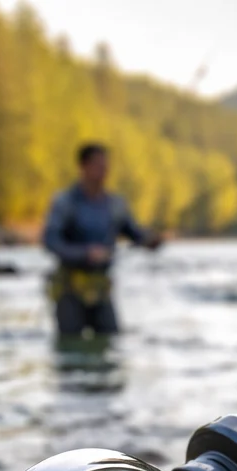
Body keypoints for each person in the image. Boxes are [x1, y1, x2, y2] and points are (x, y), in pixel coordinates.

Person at [41, 143, 161, 335]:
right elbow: (50, 242)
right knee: (71, 349)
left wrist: (151, 240)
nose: (103, 170)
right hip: (69, 291)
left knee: (111, 341)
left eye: (105, 165)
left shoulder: (115, 204)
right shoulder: (64, 202)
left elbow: (135, 234)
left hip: (102, 289)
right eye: (98, 165)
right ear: (83, 167)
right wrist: (86, 254)